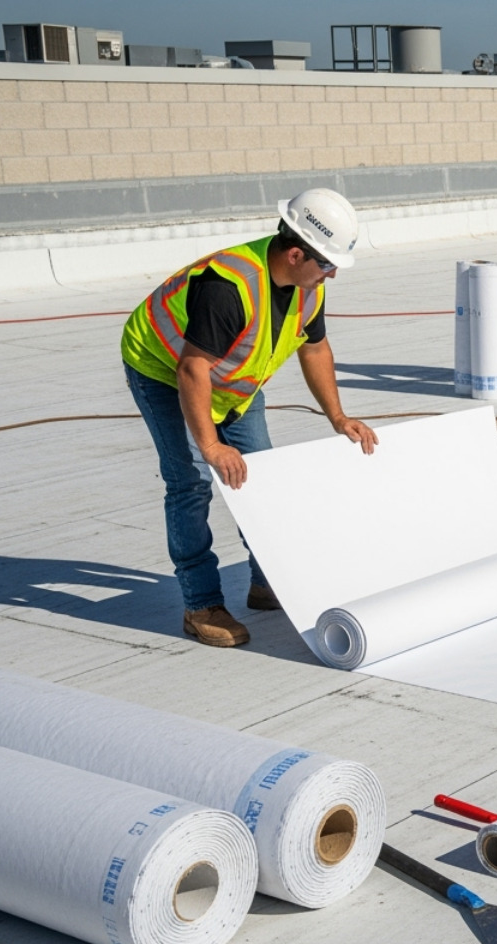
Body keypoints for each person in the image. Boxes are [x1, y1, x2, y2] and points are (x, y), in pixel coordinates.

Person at [120, 188, 379, 647]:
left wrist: (337, 417)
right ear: (296, 253)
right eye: (326, 264)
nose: (332, 273)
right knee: (192, 481)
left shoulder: (306, 288)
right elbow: (191, 369)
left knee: (262, 477)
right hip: (163, 369)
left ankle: (265, 584)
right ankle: (201, 605)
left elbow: (314, 347)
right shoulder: (228, 288)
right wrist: (212, 446)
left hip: (231, 384)